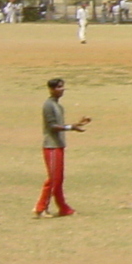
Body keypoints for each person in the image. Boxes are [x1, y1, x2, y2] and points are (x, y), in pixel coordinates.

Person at [34, 78, 89, 218]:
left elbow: (59, 125)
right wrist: (71, 127)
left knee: (58, 179)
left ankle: (63, 208)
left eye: (62, 87)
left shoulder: (58, 106)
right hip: (51, 146)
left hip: (58, 145)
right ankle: (41, 208)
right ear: (51, 89)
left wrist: (77, 124)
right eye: (59, 87)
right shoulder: (48, 106)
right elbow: (52, 127)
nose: (62, 89)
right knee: (53, 179)